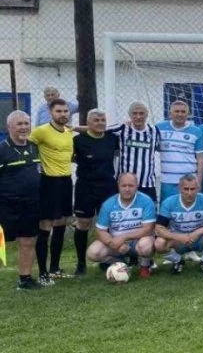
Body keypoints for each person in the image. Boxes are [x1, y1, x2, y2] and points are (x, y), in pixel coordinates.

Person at [29, 98, 74, 284]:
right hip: (49, 182)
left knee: (61, 223)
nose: (63, 114)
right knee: (45, 227)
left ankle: (55, 268)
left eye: (65, 111)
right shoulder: (41, 131)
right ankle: (42, 273)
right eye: (59, 111)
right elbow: (25, 143)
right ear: (50, 112)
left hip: (66, 181)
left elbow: (76, 129)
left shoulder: (69, 131)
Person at [72, 109, 120, 275]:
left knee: (108, 224)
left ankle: (107, 259)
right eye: (96, 120)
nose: (100, 123)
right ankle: (80, 263)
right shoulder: (78, 140)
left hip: (107, 186)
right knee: (83, 223)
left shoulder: (112, 138)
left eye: (102, 120)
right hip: (85, 186)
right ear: (88, 122)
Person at [0, 111, 43, 289]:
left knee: (28, 241)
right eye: (20, 124)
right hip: (5, 205)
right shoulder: (2, 150)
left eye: (26, 123)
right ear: (9, 127)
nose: (24, 127)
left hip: (30, 204)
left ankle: (25, 279)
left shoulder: (34, 147)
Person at [154, 174, 203, 274]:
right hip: (179, 241)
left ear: (198, 188)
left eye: (193, 189)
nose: (189, 193)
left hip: (200, 239)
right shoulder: (169, 202)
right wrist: (178, 237)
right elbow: (159, 228)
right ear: (179, 188)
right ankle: (178, 261)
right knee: (159, 243)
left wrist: (199, 231)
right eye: (186, 189)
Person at [88, 173, 156, 278]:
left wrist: (124, 237)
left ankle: (145, 265)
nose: (127, 189)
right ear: (118, 185)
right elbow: (100, 231)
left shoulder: (146, 201)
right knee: (93, 252)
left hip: (137, 241)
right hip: (115, 242)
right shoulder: (108, 204)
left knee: (146, 246)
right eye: (124, 186)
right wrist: (112, 243)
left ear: (136, 186)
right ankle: (120, 263)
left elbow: (148, 229)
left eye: (131, 185)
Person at [108, 101, 161, 201]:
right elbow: (98, 129)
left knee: (149, 213)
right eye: (135, 113)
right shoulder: (122, 128)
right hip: (125, 183)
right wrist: (74, 128)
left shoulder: (154, 130)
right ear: (129, 115)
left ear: (146, 115)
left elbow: (160, 147)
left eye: (141, 113)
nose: (138, 116)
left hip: (147, 183)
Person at [156, 100, 203, 202]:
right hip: (167, 180)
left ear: (188, 114)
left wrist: (198, 181)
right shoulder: (159, 128)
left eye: (183, 112)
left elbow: (200, 158)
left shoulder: (196, 131)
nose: (180, 114)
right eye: (176, 111)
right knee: (167, 212)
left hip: (189, 181)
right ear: (170, 113)